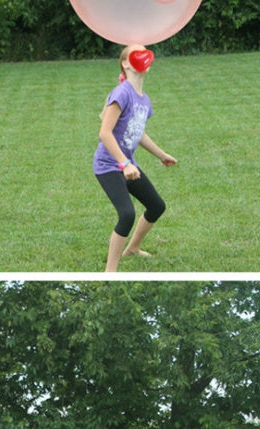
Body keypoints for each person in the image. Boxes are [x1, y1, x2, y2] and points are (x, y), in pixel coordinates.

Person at [93, 44, 177, 272]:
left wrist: (161, 155)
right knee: (127, 214)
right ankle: (110, 272)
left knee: (156, 206)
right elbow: (104, 132)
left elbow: (138, 133)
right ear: (126, 63)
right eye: (136, 52)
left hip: (127, 165)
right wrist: (125, 163)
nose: (143, 54)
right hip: (108, 165)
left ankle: (133, 248)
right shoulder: (122, 93)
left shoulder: (144, 99)